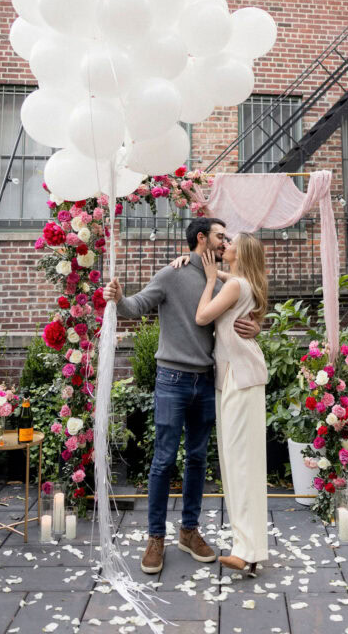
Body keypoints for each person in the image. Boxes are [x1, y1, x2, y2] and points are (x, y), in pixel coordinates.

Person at [104, 217, 260, 576]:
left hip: (206, 380)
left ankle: (189, 531)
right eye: (220, 236)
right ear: (202, 238)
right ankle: (155, 537)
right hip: (172, 379)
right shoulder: (172, 273)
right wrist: (118, 297)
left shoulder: (221, 280)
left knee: (197, 459)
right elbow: (136, 307)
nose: (225, 243)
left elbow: (245, 308)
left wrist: (257, 326)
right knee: (163, 460)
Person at [187, 233, 269, 576]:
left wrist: (209, 281)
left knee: (240, 464)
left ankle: (246, 549)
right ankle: (248, 549)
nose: (225, 244)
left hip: (240, 377)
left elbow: (202, 317)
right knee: (240, 463)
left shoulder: (235, 286)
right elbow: (230, 278)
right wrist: (205, 268)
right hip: (237, 376)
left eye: (231, 242)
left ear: (241, 253)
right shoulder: (240, 282)